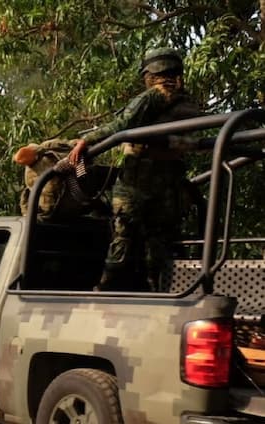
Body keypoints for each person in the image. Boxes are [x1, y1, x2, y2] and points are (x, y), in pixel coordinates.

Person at [68, 47, 202, 291]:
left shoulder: (154, 96)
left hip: (138, 181)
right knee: (158, 240)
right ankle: (156, 288)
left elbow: (123, 124)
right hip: (169, 185)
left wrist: (88, 140)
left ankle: (104, 286)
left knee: (122, 235)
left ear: (151, 73)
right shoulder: (187, 101)